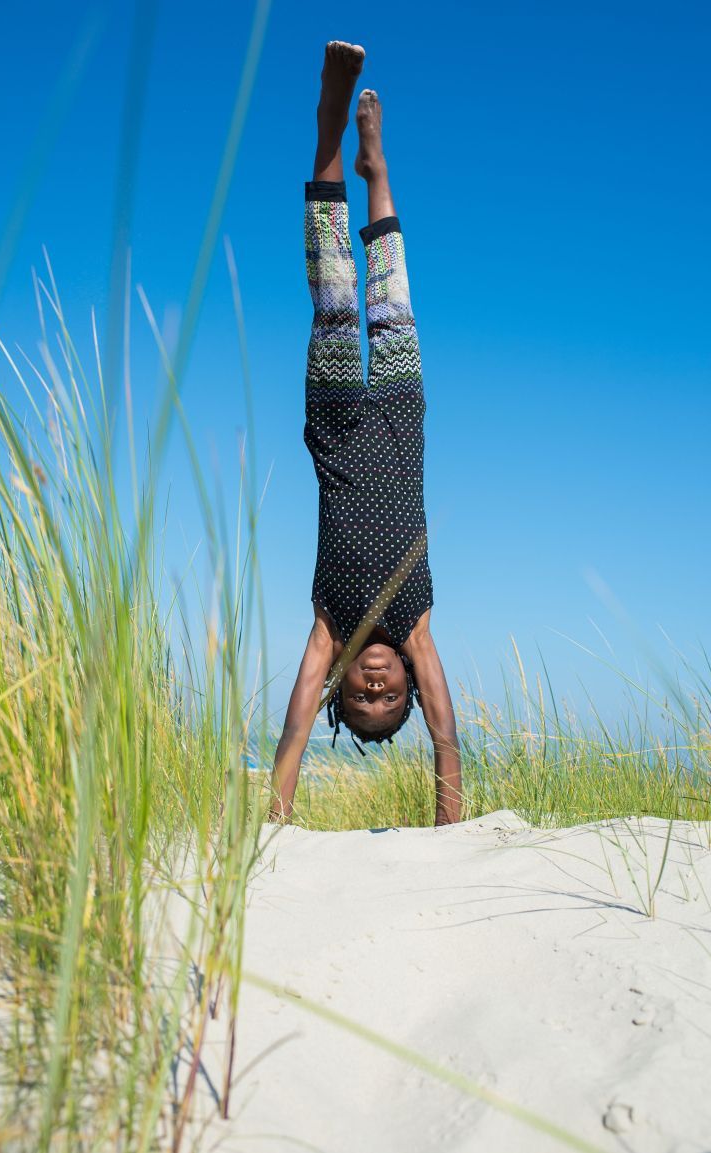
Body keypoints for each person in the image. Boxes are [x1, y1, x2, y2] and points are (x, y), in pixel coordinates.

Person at [268, 41, 462, 826]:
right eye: (391, 695)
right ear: (414, 681)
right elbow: (447, 741)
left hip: (339, 419)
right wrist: (452, 824)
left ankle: (327, 135)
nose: (375, 685)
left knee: (337, 288)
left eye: (360, 695)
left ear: (338, 679)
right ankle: (378, 172)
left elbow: (292, 726)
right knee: (391, 287)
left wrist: (275, 815)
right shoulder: (417, 623)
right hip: (403, 415)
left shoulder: (328, 624)